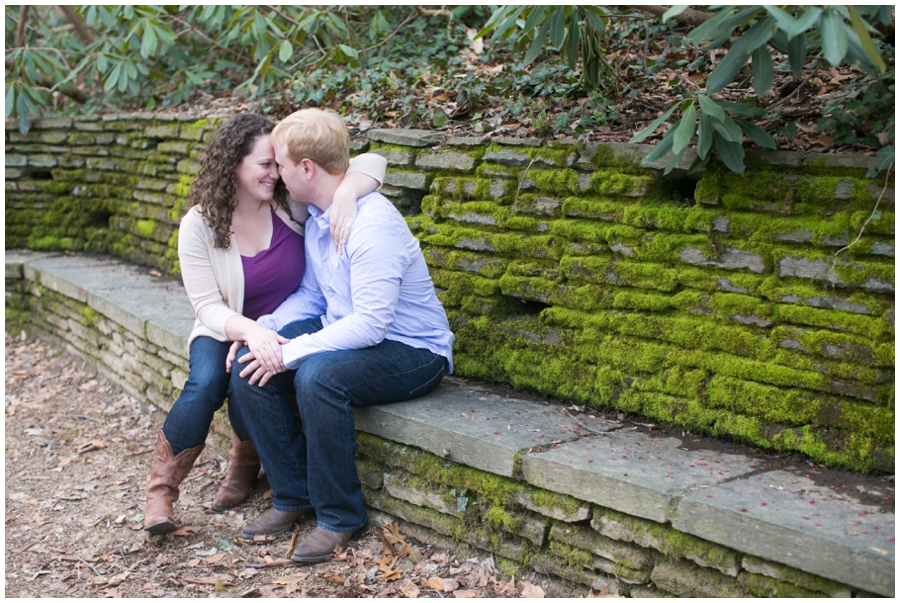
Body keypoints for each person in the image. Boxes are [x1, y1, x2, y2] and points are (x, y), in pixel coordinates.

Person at [143, 113, 387, 535]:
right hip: (229, 326)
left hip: (297, 320)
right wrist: (250, 331)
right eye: (264, 165)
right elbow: (206, 306)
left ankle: (244, 462)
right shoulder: (199, 224)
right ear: (232, 165)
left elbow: (375, 162)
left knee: (251, 376)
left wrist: (347, 194)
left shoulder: (288, 202)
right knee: (205, 382)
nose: (275, 173)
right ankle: (161, 491)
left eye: (279, 164)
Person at [228, 108, 453, 562]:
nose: (278, 177)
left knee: (317, 377)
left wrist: (293, 354)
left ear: (307, 168)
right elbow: (313, 296)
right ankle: (292, 497)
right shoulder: (316, 215)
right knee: (252, 362)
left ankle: (340, 516)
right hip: (345, 327)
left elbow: (371, 324)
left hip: (412, 348)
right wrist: (264, 331)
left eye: (283, 166)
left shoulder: (373, 225)